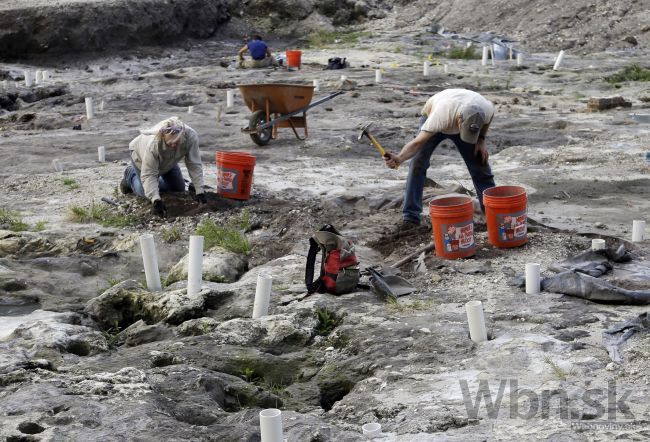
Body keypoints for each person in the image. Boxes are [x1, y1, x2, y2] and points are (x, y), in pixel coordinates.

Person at [384, 88, 496, 229]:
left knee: (480, 164)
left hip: (466, 115)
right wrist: (399, 158)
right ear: (459, 121)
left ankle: (493, 215)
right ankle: (411, 218)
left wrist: (480, 139)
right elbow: (417, 143)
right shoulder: (439, 118)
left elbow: (489, 117)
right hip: (439, 113)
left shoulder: (485, 109)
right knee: (418, 164)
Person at [120, 116, 207, 218]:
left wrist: (199, 191)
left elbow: (194, 164)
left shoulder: (191, 137)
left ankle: (159, 179)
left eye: (177, 143)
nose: (174, 146)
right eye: (170, 144)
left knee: (178, 189)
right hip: (141, 157)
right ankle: (130, 175)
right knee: (146, 192)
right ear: (163, 136)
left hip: (169, 161)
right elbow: (149, 174)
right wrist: (156, 200)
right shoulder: (153, 145)